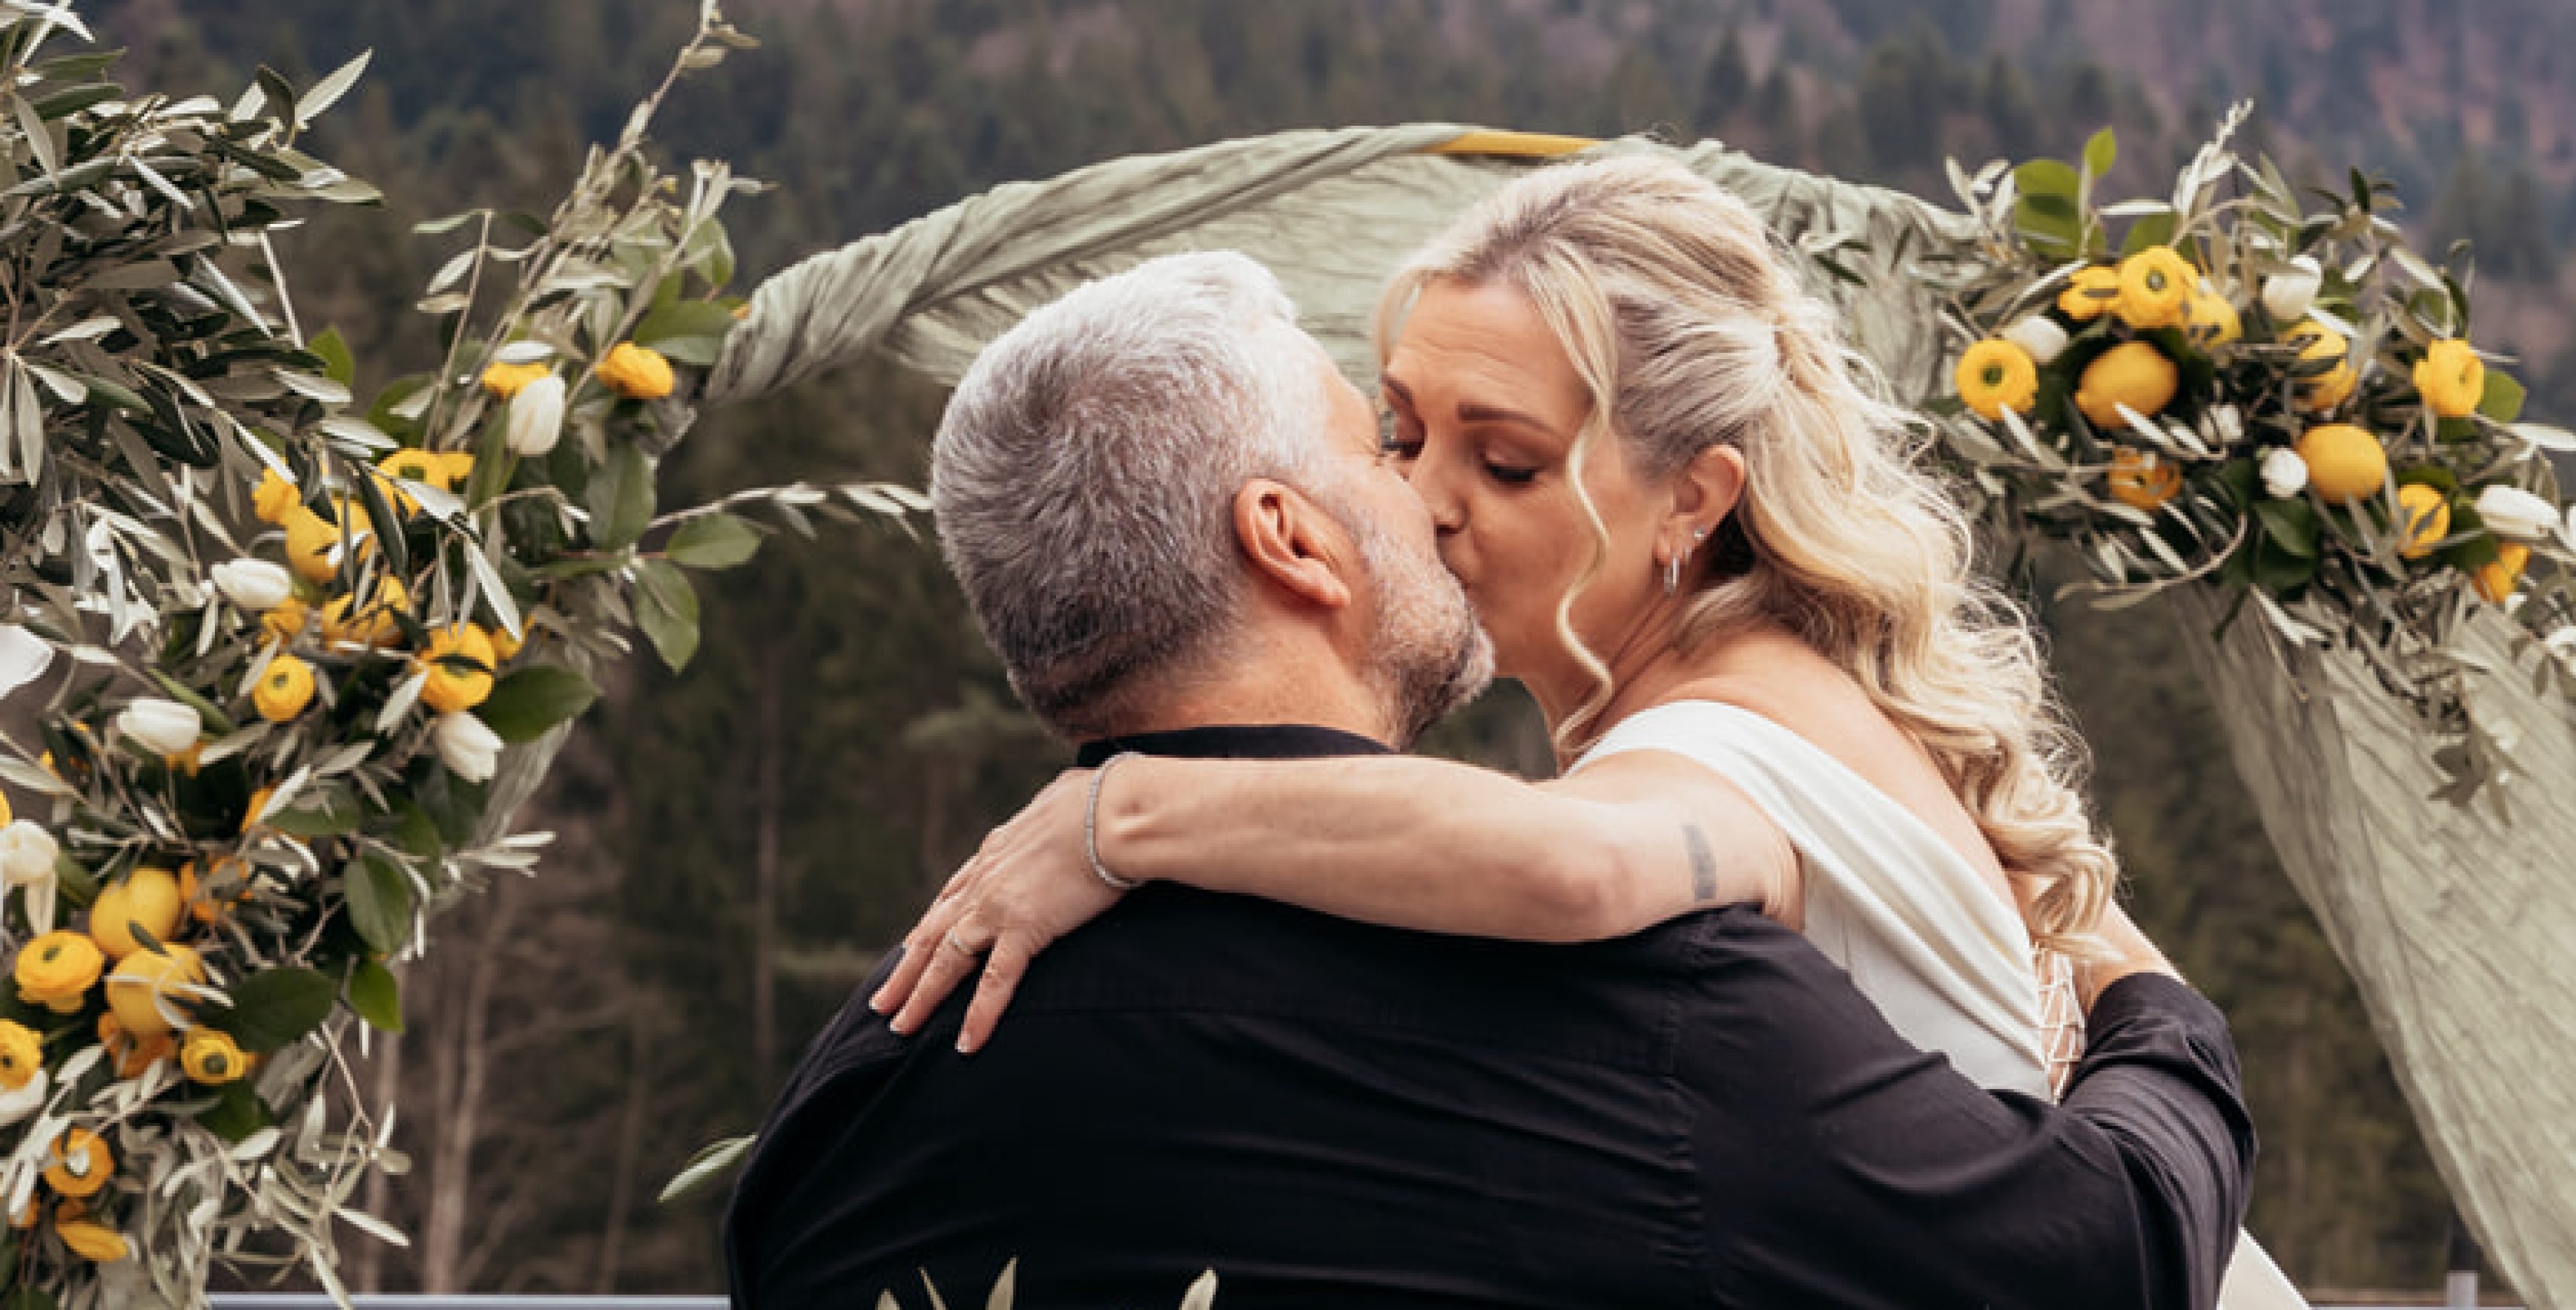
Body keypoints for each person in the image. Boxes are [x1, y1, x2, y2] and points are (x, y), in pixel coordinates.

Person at [879, 154, 2306, 1309]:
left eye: (1502, 461)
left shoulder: (1714, 738)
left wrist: (1121, 818)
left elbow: (1571, 873)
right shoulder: (1767, 684)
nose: (1426, 502)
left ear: (1691, 499)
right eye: (1398, 433)